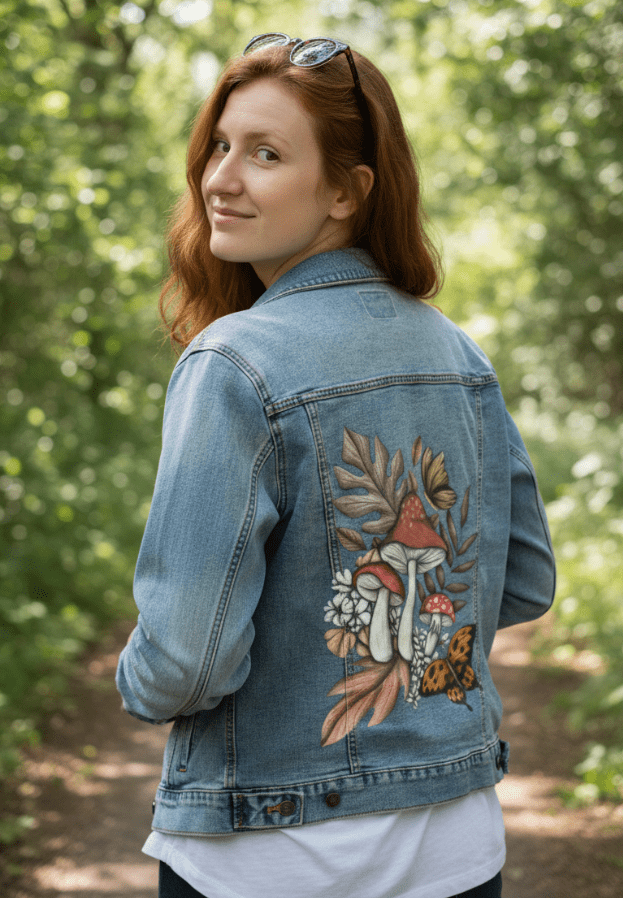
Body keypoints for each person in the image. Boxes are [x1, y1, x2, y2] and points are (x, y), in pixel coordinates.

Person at [116, 33, 555, 898]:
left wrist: (136, 679)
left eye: (267, 154)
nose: (220, 178)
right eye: (221, 145)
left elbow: (185, 663)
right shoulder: (456, 351)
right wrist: (412, 655)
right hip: (458, 845)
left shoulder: (233, 362)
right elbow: (525, 580)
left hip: (268, 853)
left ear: (348, 193)